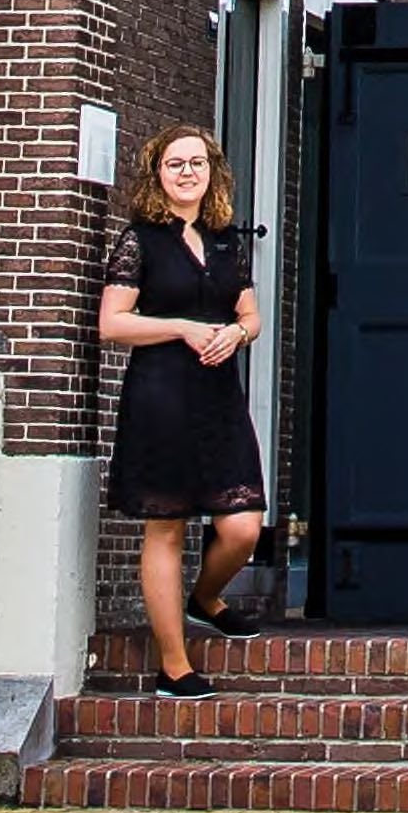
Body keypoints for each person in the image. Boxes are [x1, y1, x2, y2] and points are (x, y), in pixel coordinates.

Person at [98, 126, 268, 685]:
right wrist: (181, 329)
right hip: (161, 397)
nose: (187, 172)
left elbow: (251, 316)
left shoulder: (224, 241)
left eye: (196, 163)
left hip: (219, 400)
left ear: (212, 173)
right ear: (158, 174)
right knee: (167, 528)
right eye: (175, 164)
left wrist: (237, 337)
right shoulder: (140, 240)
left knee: (243, 526)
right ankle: (175, 666)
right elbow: (112, 323)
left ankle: (206, 597)